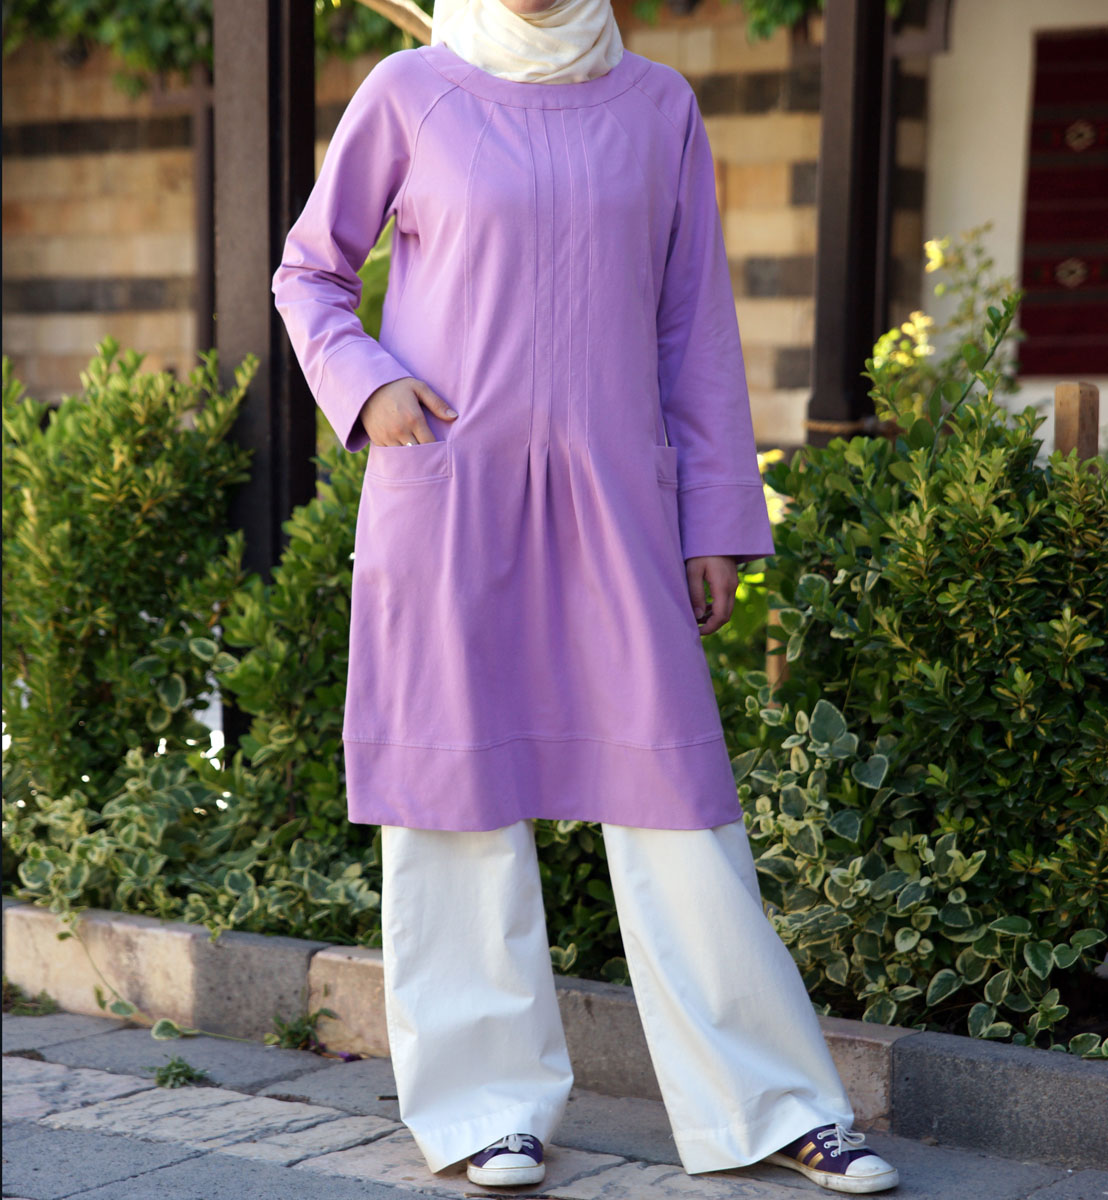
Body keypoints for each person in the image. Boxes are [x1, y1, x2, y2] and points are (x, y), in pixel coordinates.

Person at [272, 0, 900, 1192]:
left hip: (618, 507)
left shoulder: (658, 106)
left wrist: (713, 519)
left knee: (677, 804)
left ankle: (770, 1106)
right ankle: (484, 1112)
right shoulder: (412, 91)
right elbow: (310, 271)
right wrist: (366, 383)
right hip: (450, 492)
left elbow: (691, 323)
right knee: (455, 794)